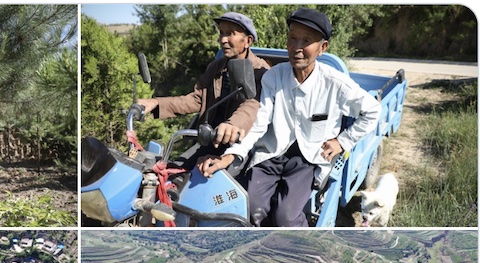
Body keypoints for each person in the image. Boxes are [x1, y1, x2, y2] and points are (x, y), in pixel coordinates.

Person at [208, 8, 381, 227]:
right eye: (292, 38)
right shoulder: (274, 77)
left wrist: (342, 142)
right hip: (271, 154)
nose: (297, 47)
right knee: (250, 209)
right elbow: (259, 124)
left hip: (307, 161)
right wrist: (231, 155)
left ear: (322, 48)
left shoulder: (335, 84)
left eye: (306, 40)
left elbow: (373, 111)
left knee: (286, 217)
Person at [137, 12, 270, 170]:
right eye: (221, 33)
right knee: (171, 173)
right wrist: (156, 103)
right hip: (211, 140)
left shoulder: (260, 72)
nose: (223, 39)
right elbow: (196, 99)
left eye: (230, 33)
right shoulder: (216, 67)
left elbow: (251, 105)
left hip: (241, 147)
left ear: (248, 41)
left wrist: (232, 126)